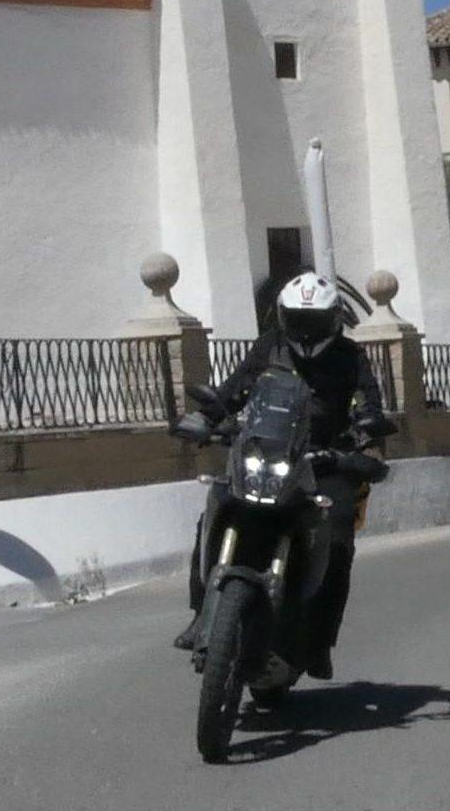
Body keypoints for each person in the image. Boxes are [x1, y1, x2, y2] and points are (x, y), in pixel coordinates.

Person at [171, 271, 394, 679]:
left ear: (333, 321)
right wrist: (205, 417)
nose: (306, 331)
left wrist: (367, 435)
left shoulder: (349, 357)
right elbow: (233, 391)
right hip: (266, 451)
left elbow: (369, 404)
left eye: (314, 322)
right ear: (283, 318)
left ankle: (319, 641)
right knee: (217, 505)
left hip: (325, 460)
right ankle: (201, 611)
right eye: (299, 320)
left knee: (338, 533)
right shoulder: (268, 347)